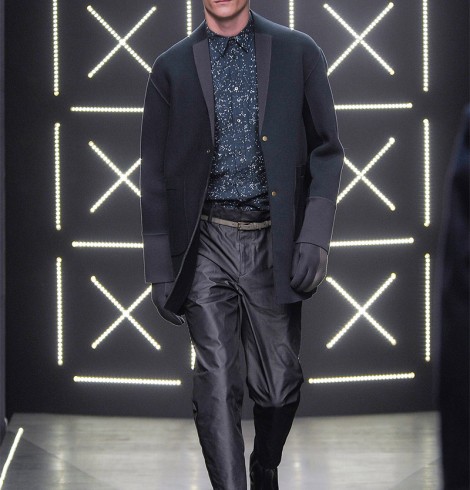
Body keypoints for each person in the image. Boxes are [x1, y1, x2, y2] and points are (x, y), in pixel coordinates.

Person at [140, 1, 343, 488]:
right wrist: (159, 267)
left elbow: (327, 149)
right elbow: (153, 173)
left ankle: (265, 463)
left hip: (273, 241)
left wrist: (315, 234)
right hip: (205, 242)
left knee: (278, 386)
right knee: (215, 382)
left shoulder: (299, 52)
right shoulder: (170, 68)